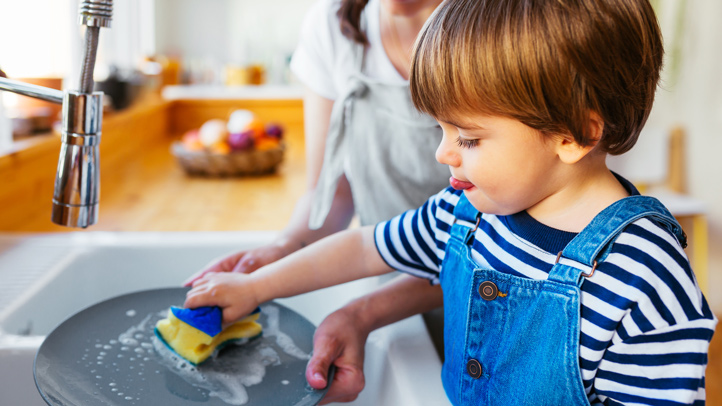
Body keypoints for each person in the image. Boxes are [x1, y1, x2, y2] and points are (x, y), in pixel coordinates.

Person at [186, 0, 718, 404]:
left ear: (573, 134)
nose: (444, 153)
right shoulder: (465, 211)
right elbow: (363, 248)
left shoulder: (644, 277)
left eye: (468, 138)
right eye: (441, 129)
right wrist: (255, 285)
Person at [184, 0, 449, 401]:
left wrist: (364, 311)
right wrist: (282, 251)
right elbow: (332, 197)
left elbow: (483, 247)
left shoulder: (498, 31)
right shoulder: (335, 27)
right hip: (398, 292)